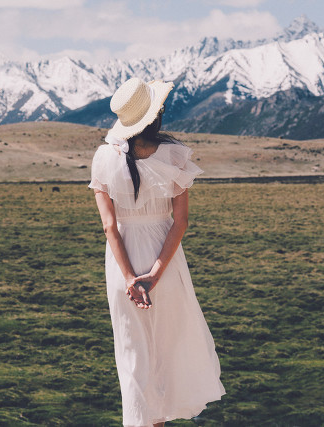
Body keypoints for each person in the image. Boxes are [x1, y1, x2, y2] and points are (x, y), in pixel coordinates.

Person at [89, 77, 226, 426]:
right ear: (155, 117)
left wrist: (131, 277)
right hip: (164, 257)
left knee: (133, 352)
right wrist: (154, 275)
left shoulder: (104, 157)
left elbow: (109, 227)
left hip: (122, 262)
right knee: (168, 345)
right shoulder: (174, 154)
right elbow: (180, 222)